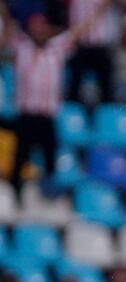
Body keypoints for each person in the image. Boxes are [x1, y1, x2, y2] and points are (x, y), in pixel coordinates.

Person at [0, 0, 111, 198]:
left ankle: (48, 197)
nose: (39, 32)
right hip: (26, 115)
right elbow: (8, 25)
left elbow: (80, 30)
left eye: (42, 28)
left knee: (50, 160)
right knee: (20, 159)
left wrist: (100, 9)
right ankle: (16, 195)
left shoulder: (57, 48)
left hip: (48, 117)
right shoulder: (21, 48)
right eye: (35, 28)